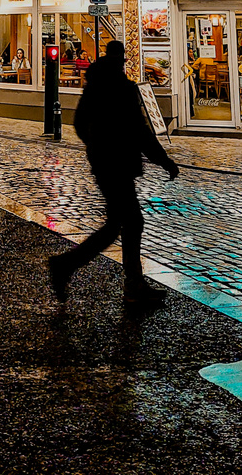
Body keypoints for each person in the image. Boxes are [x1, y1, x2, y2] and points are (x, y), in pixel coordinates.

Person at [48, 40, 179, 306]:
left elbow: (79, 122)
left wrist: (95, 146)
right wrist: (163, 160)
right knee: (125, 224)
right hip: (119, 163)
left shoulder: (93, 85)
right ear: (121, 60)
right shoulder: (123, 88)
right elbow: (139, 130)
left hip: (103, 162)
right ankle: (69, 267)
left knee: (124, 223)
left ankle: (130, 282)